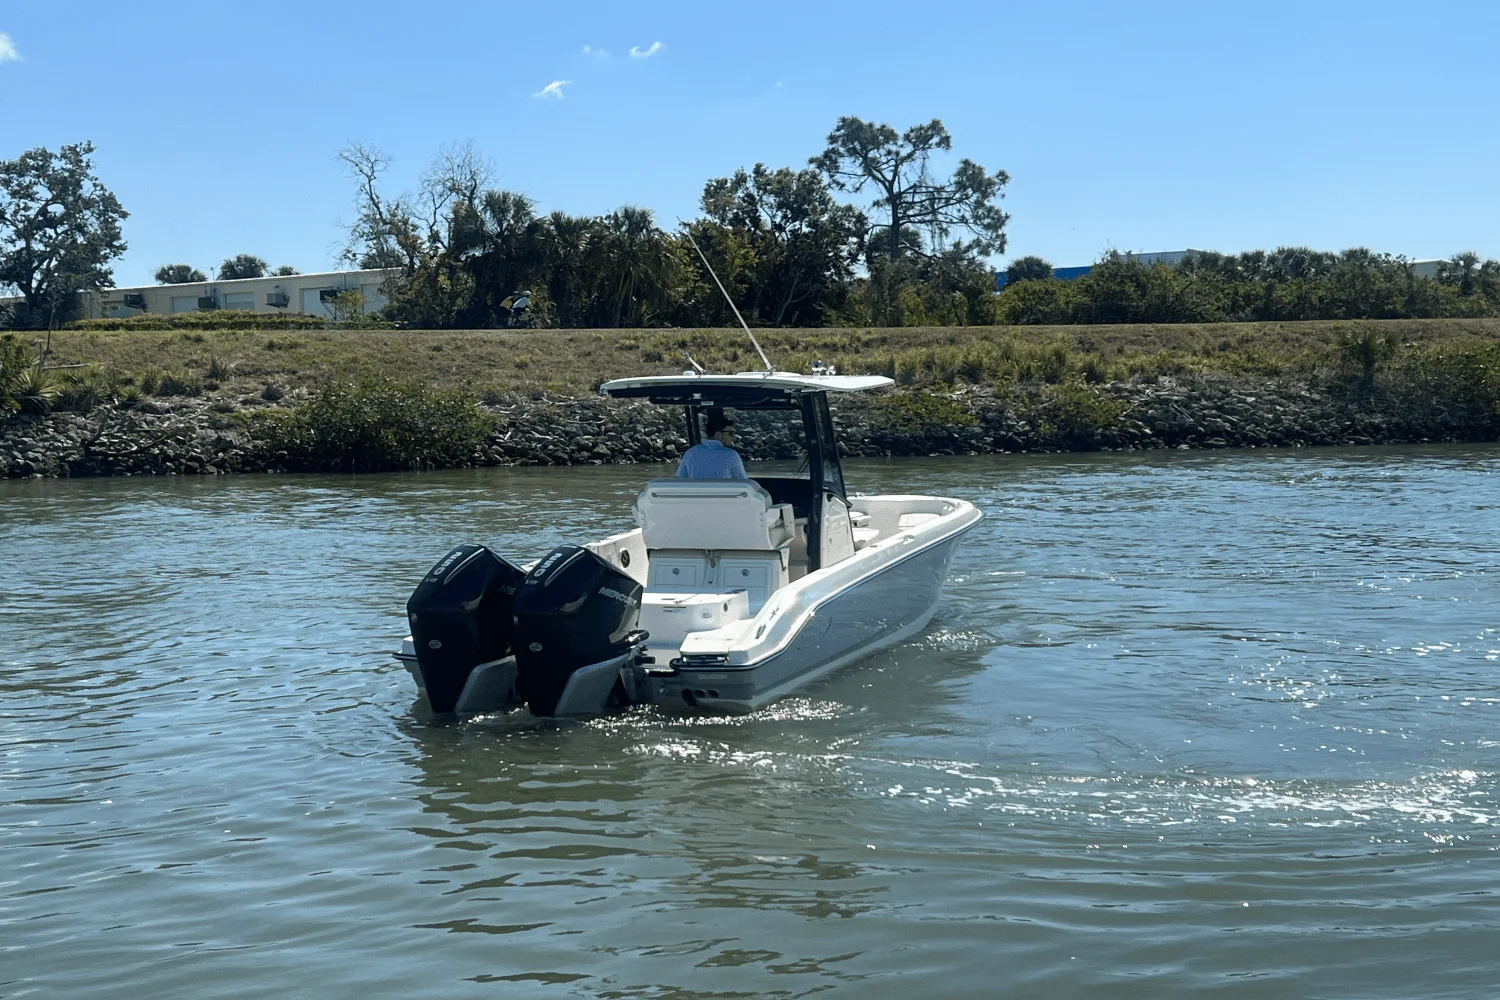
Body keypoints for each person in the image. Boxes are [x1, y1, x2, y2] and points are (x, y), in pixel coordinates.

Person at [675, 409, 748, 480]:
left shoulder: (690, 453)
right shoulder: (732, 455)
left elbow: (680, 480)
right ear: (718, 434)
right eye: (731, 433)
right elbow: (743, 482)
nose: (733, 437)